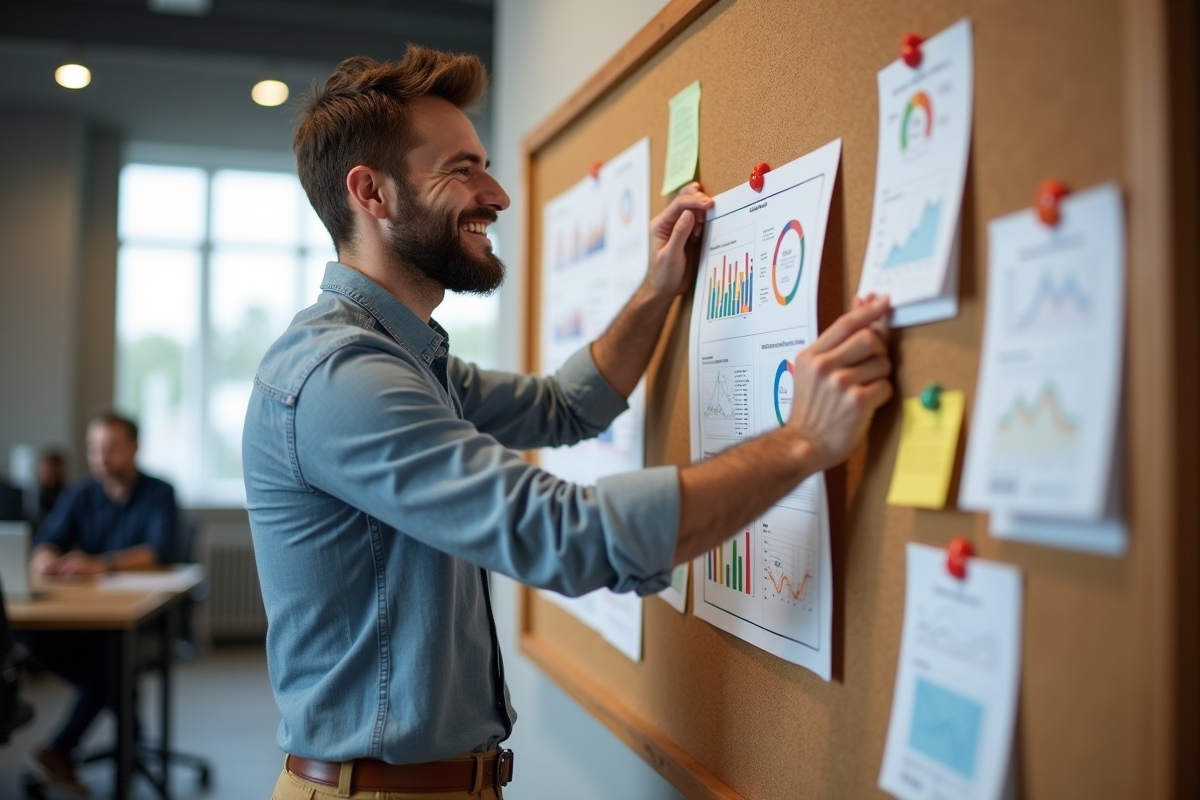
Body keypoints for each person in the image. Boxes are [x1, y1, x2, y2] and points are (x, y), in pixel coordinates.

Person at [243, 47, 891, 800]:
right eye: (461, 169)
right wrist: (802, 443)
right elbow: (568, 537)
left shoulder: (409, 362)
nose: (497, 194)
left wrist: (657, 292)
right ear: (372, 194)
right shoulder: (342, 378)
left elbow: (564, 406)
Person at [24, 411, 177, 796]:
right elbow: (48, 539)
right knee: (37, 639)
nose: (101, 458)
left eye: (111, 448)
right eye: (94, 449)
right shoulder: (80, 493)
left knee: (111, 662)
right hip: (90, 619)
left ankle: (60, 748)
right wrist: (44, 556)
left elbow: (156, 551)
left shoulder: (159, 492)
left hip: (144, 621)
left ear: (134, 448)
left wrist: (98, 564)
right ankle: (126, 719)